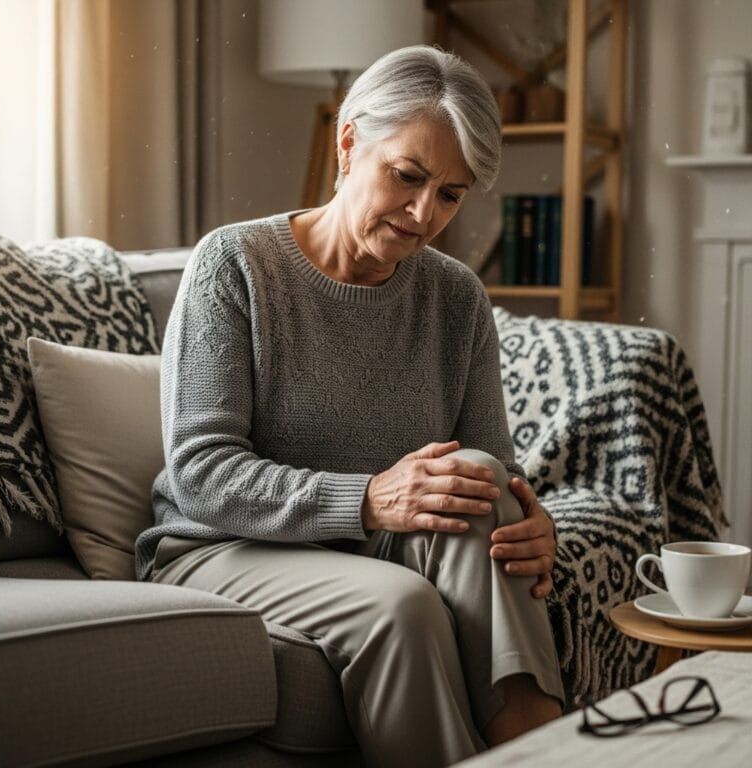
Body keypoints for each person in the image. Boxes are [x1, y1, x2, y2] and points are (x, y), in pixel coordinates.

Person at [135, 44, 564, 768]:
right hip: (221, 545)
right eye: (408, 176)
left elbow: (489, 473)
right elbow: (202, 475)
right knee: (402, 607)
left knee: (483, 485)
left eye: (451, 194)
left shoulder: (456, 296)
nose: (425, 212)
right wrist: (367, 498)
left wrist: (528, 521)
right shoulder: (235, 265)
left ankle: (546, 747)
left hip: (380, 540)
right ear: (348, 141)